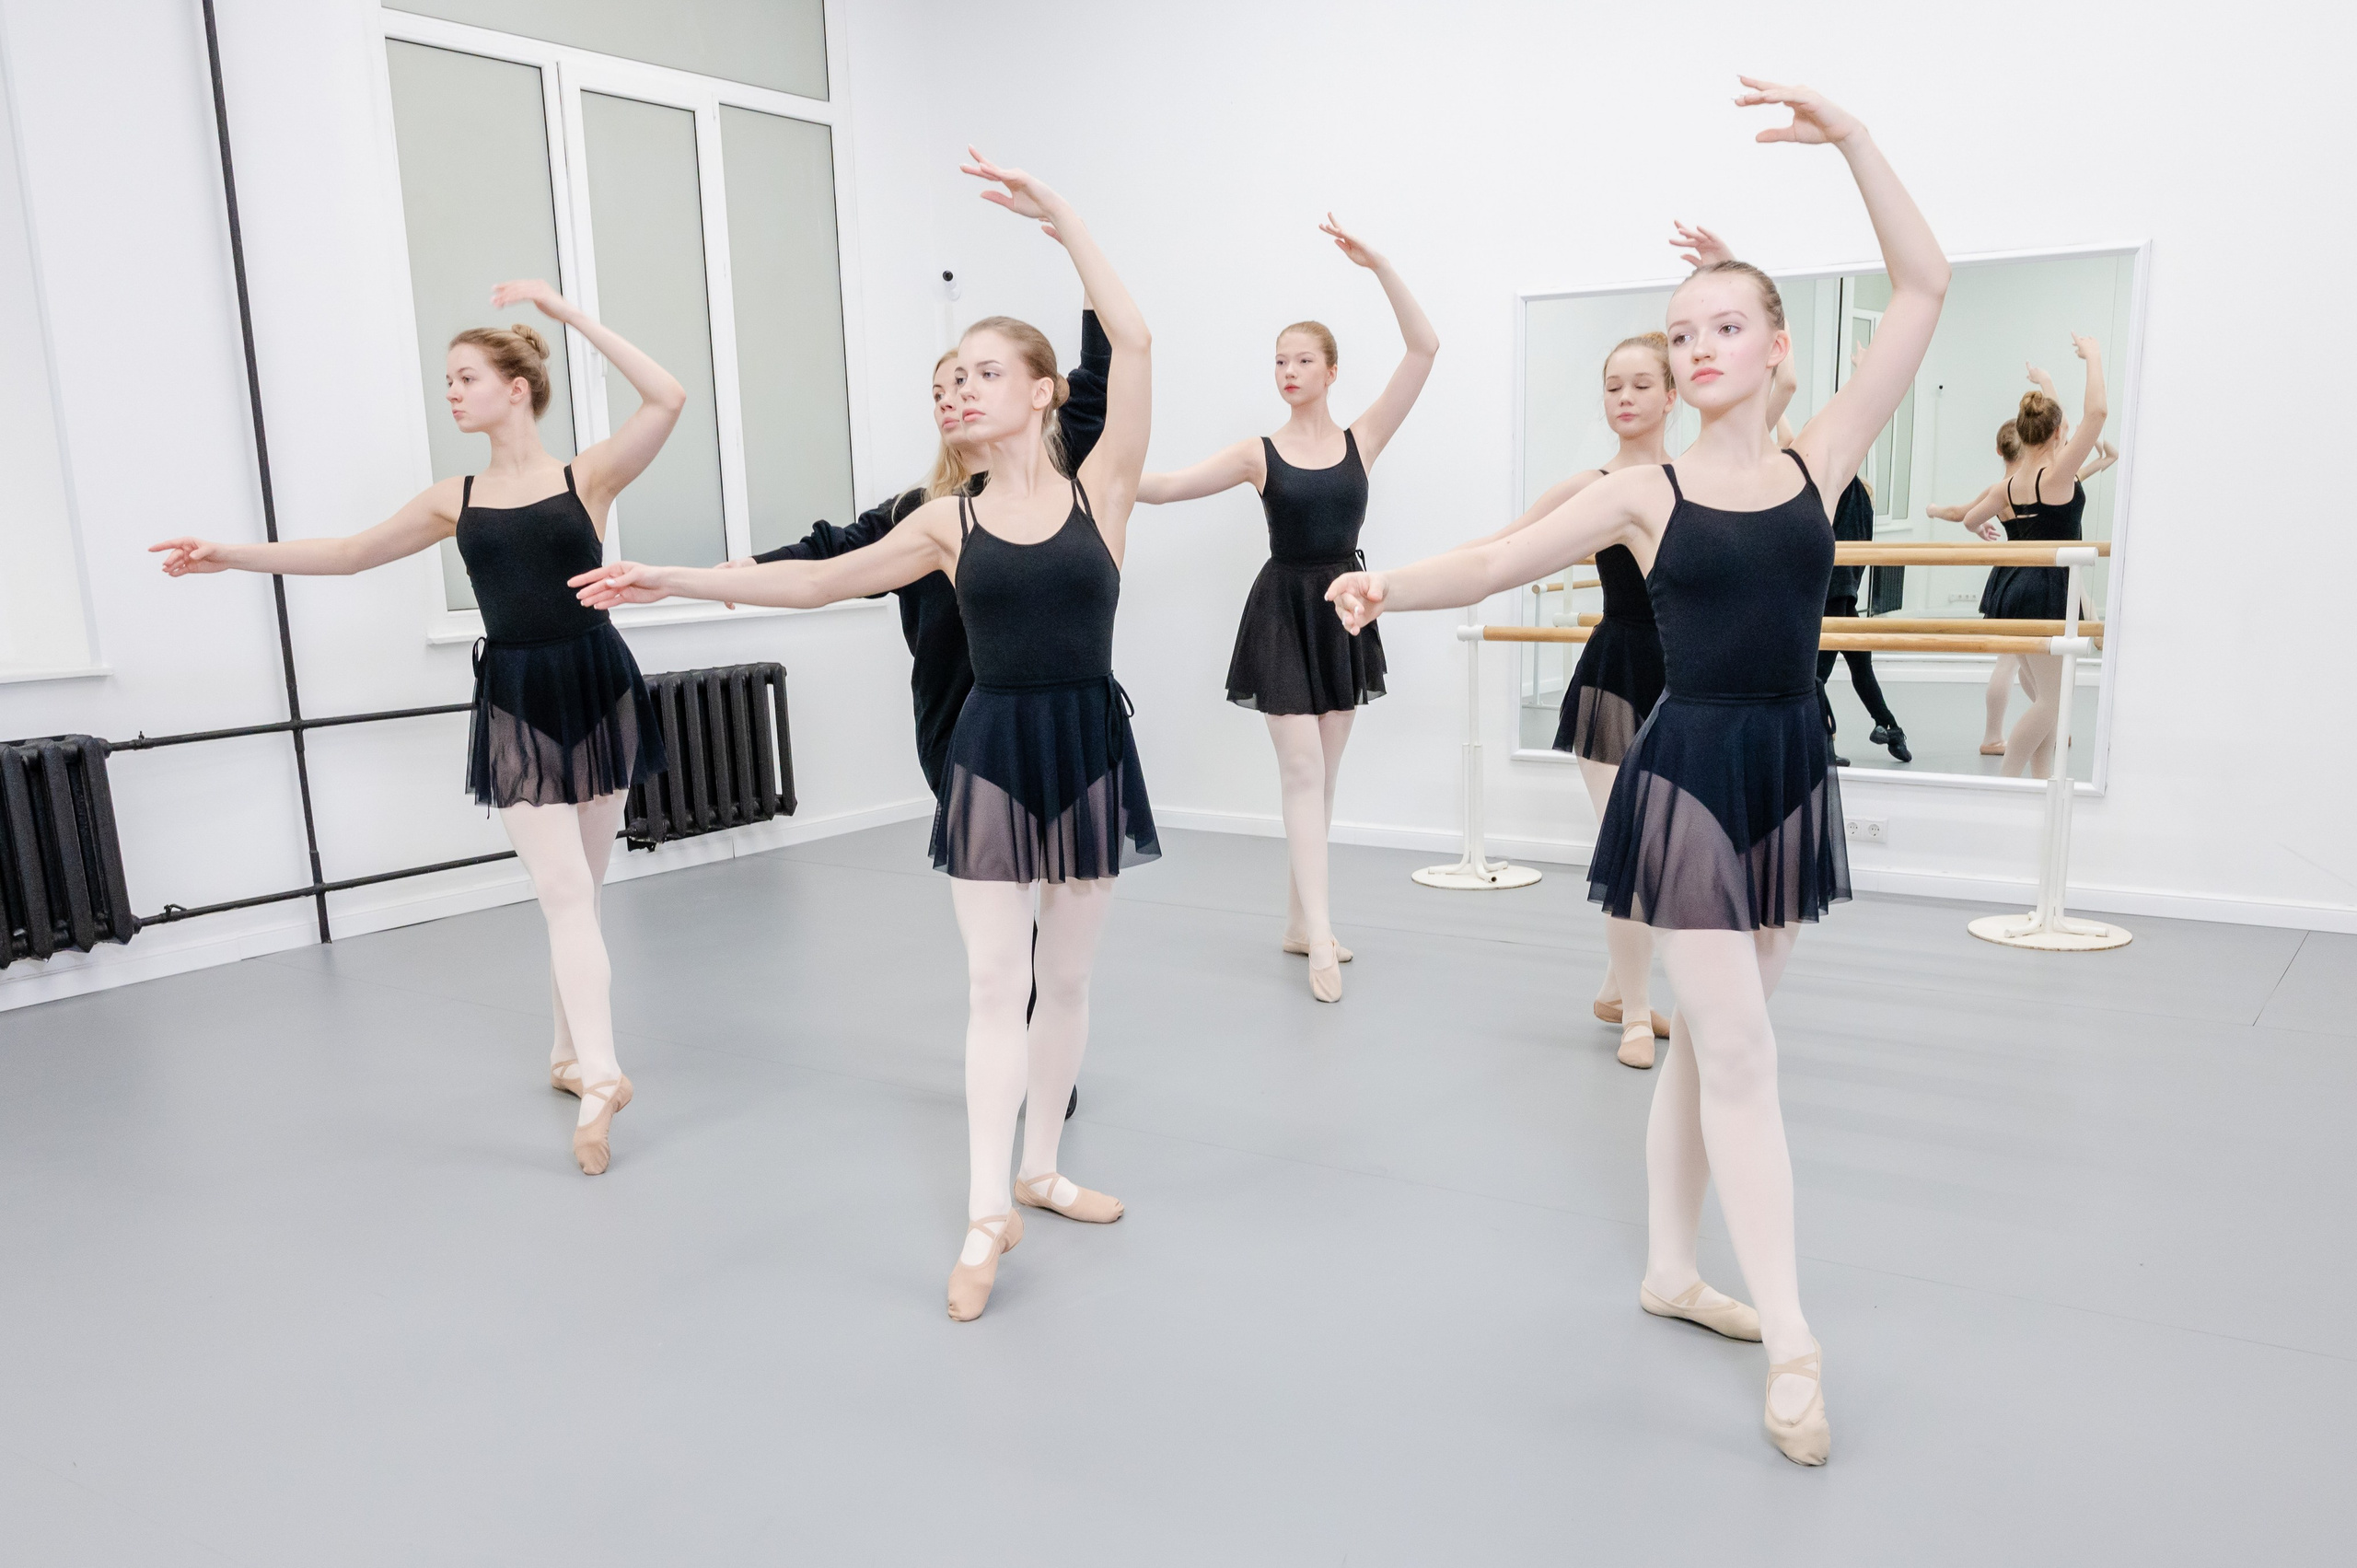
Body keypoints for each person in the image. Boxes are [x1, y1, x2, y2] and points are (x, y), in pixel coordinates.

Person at [1327, 77, 1949, 1464]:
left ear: (1780, 351)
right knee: (1735, 1044)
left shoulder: (1819, 454)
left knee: (1714, 1038)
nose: (1699, 346)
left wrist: (1851, 139)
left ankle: (1672, 1263)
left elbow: (1921, 286)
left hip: (1790, 766)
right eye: (1683, 332)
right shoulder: (1641, 492)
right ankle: (1794, 1333)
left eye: (1726, 326)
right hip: (1686, 772)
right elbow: (1499, 560)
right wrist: (1390, 586)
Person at [574, 152, 1153, 1323]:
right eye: (954, 376)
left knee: (1072, 977)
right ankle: (987, 1206)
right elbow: (820, 581)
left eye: (989, 371)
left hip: (1088, 740)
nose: (965, 389)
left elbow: (1132, 343)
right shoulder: (944, 519)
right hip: (991, 750)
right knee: (997, 984)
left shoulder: (1108, 487)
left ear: (1044, 390)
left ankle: (1046, 1164)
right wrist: (672, 576)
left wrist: (1061, 221)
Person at [152, 283, 681, 1176]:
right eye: (447, 380)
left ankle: (564, 1052)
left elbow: (666, 396)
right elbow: (349, 553)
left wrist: (573, 316)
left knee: (581, 889)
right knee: (562, 891)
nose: (451, 391)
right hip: (517, 690)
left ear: (516, 387)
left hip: (596, 679)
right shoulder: (455, 497)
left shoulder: (585, 476)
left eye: (465, 376)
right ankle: (600, 1073)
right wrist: (231, 554)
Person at [718, 313, 1112, 1121]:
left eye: (968, 381)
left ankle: (1045, 1065)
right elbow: (826, 560)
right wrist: (737, 572)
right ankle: (1020, 1054)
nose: (952, 398)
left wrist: (1082, 264)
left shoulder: (1051, 487)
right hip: (957, 730)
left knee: (1057, 912)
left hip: (1050, 718)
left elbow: (1098, 384)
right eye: (939, 389)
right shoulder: (918, 513)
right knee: (1002, 922)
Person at [1132, 219, 1437, 1002]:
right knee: (1301, 769)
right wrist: (1101, 467)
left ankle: (1301, 921)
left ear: (1331, 371)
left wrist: (1381, 266)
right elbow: (1163, 486)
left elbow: (1424, 349)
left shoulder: (1362, 439)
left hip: (1345, 610)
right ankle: (1322, 940)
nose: (1288, 371)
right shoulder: (1256, 453)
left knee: (1323, 777)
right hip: (1281, 611)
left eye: (1302, 359)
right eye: (1279, 360)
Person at [1955, 340, 2108, 777]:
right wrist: (2093, 356)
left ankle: (2039, 786)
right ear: (2059, 434)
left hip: (2011, 589)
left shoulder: (2011, 484)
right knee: (2052, 701)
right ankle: (2008, 782)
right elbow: (2096, 414)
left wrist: (2045, 383)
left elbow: (1970, 519)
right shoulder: (2058, 476)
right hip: (2047, 592)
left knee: (2046, 694)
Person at [1930, 418, 2114, 756]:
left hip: (2012, 575)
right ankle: (2027, 726)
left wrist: (1934, 510)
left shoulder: (2004, 488)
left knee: (2017, 663)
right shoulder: (2049, 480)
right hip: (2042, 578)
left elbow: (1963, 515)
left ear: (2000, 450)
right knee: (2027, 667)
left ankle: (2039, 722)